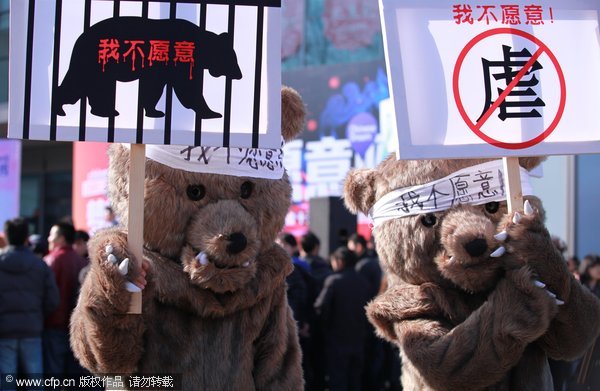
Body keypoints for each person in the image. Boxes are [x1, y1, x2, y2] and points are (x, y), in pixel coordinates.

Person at [0, 218, 59, 386]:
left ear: (7, 237)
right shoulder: (39, 265)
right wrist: (38, 315)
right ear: (27, 237)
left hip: (4, 331)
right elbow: (53, 300)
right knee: (35, 382)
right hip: (32, 329)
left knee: (7, 382)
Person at [314, 247, 370, 391]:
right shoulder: (363, 282)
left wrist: (323, 328)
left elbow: (321, 307)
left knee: (337, 380)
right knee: (354, 379)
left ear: (340, 262)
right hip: (358, 338)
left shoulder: (333, 281)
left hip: (336, 339)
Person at [43, 222, 87, 378]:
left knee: (53, 377)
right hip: (78, 328)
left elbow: (45, 297)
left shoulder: (50, 261)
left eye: (51, 234)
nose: (48, 238)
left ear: (61, 238)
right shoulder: (83, 262)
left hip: (54, 326)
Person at [347, 233, 385, 389]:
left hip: (366, 317)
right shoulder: (379, 263)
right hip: (379, 314)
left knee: (367, 357)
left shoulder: (362, 266)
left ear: (358, 246)